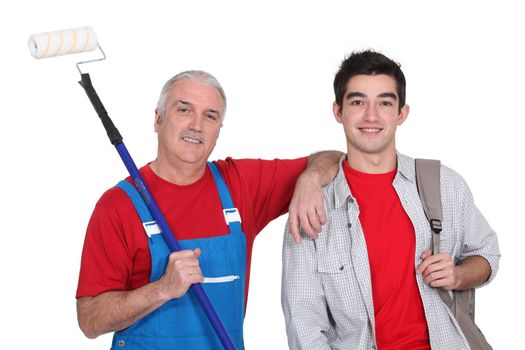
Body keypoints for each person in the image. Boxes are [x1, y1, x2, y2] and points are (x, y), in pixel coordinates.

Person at [76, 70, 341, 349]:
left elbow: (332, 159)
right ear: (158, 119)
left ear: (218, 129)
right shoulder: (119, 205)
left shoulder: (241, 184)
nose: (197, 125)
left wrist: (310, 179)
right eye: (184, 110)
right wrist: (162, 289)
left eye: (210, 116)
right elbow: (90, 319)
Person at [281, 50, 501, 349]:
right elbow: (303, 321)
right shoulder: (311, 206)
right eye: (358, 102)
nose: (371, 116)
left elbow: (487, 254)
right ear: (338, 111)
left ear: (401, 113)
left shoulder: (443, 184)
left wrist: (459, 275)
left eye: (384, 103)